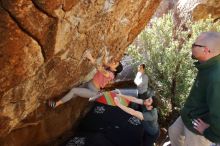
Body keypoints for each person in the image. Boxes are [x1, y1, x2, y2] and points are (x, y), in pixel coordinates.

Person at [168, 32, 220, 146]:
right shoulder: (206, 63)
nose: (192, 46)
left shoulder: (216, 77)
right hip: (188, 115)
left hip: (199, 124)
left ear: (205, 50)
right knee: (173, 132)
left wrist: (208, 132)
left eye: (195, 45)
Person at [48, 50, 123, 108]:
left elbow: (100, 69)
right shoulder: (109, 67)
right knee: (74, 93)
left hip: (92, 91)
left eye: (115, 64)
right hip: (88, 84)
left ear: (115, 70)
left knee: (74, 91)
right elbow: (104, 62)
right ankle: (63, 101)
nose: (113, 62)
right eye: (115, 62)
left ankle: (56, 104)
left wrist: (90, 58)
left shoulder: (111, 75)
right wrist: (104, 52)